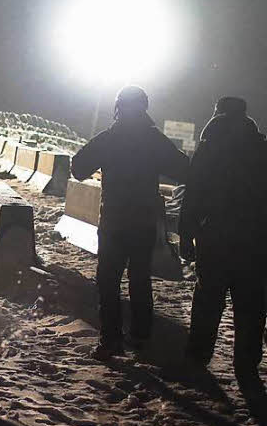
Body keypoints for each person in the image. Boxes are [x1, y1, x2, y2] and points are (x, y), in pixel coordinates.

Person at [71, 85, 189, 360]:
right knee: (140, 279)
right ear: (144, 108)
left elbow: (77, 169)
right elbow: (183, 168)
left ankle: (110, 340)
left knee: (108, 281)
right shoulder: (154, 139)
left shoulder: (109, 138)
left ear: (117, 108)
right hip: (144, 222)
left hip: (114, 221)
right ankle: (141, 336)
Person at [179, 97, 267, 396]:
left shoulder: (210, 146)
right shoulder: (261, 147)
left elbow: (193, 193)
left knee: (207, 299)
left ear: (217, 112)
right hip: (255, 242)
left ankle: (198, 356)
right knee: (251, 306)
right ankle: (246, 366)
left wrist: (185, 234)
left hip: (215, 236)